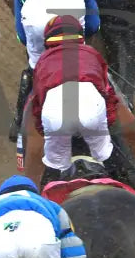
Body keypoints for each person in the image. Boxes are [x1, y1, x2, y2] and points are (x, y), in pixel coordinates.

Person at [10, 0, 100, 140]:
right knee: (87, 62)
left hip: (36, 22)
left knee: (35, 69)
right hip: (72, 17)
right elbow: (93, 24)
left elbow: (21, 35)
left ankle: (19, 123)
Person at [30, 15, 122, 186]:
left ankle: (43, 195)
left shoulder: (42, 62)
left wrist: (45, 131)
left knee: (54, 166)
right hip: (91, 111)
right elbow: (108, 95)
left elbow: (37, 106)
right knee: (106, 155)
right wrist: (108, 122)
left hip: (56, 117)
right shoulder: (92, 53)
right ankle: (126, 186)